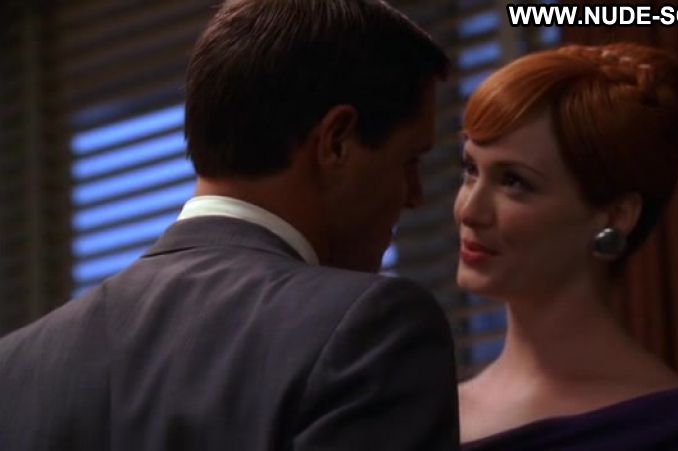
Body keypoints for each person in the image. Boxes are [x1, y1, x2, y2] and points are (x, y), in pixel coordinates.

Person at [0, 0, 459, 450]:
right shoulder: (371, 332)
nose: (416, 195)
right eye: (410, 161)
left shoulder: (14, 366)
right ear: (336, 142)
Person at [454, 43, 678, 450]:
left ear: (616, 215)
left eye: (513, 181)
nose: (469, 210)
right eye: (471, 169)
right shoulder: (429, 416)